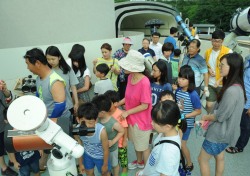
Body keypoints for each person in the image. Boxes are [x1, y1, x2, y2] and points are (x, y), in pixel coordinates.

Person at [198, 53, 246, 176]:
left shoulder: (231, 91)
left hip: (219, 134)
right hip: (226, 133)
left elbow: (221, 116)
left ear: (232, 67)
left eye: (222, 65)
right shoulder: (238, 87)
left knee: (202, 160)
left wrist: (205, 116)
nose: (220, 67)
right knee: (219, 157)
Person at [118, 50, 152, 170]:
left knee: (144, 146)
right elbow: (128, 97)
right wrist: (118, 103)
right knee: (136, 144)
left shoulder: (144, 82)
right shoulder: (130, 77)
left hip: (142, 120)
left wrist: (127, 112)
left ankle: (147, 169)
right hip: (131, 118)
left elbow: (145, 105)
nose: (123, 68)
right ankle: (139, 161)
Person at [136, 100, 187, 176]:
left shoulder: (168, 152)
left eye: (155, 122)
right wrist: (144, 172)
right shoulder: (167, 132)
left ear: (167, 126)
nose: (151, 123)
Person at [24, 48, 70, 119]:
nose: (27, 67)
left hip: (59, 121)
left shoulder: (55, 81)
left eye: (28, 64)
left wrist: (50, 122)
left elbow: (60, 106)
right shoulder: (39, 78)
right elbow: (39, 94)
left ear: (37, 63)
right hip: (46, 118)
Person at [175, 65, 202, 172]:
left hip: (187, 124)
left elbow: (198, 111)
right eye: (179, 77)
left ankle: (189, 163)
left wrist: (185, 116)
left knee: (182, 144)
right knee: (176, 142)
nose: (180, 81)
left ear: (189, 80)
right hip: (177, 121)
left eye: (183, 79)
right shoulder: (178, 91)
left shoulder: (193, 94)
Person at [74, 102, 111, 176]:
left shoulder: (101, 132)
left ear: (96, 120)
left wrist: (105, 165)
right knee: (89, 173)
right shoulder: (77, 131)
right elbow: (79, 146)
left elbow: (106, 149)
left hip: (101, 157)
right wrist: (80, 163)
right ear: (78, 119)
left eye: (90, 123)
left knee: (105, 173)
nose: (87, 126)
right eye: (83, 122)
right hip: (87, 155)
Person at [92, 95, 124, 176]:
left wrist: (113, 141)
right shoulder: (98, 119)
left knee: (114, 164)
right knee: (106, 163)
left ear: (102, 112)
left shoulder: (113, 123)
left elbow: (122, 131)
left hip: (112, 148)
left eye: (96, 111)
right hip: (102, 148)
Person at [225, 55, 250, 154]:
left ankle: (239, 147)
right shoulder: (248, 59)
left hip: (247, 103)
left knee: (245, 126)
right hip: (240, 97)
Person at [204, 30, 232, 113]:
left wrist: (219, 80)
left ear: (223, 41)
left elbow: (231, 69)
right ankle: (208, 120)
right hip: (210, 83)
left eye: (219, 41)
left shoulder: (228, 52)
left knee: (221, 105)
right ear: (211, 40)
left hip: (222, 84)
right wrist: (208, 69)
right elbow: (205, 64)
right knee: (209, 105)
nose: (216, 44)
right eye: (214, 41)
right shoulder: (207, 52)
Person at [45, 46, 79, 114]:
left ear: (59, 57)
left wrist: (76, 103)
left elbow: (73, 87)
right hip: (51, 109)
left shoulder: (67, 70)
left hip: (67, 106)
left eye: (53, 59)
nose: (51, 61)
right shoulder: (46, 71)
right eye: (48, 59)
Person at [104, 90, 128, 176]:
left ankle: (125, 170)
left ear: (115, 104)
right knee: (112, 158)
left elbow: (125, 127)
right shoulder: (105, 113)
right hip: (110, 142)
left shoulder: (120, 113)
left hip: (120, 142)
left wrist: (125, 140)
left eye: (108, 103)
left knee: (123, 157)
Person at [0, 80, 18, 176]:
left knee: (9, 140)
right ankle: (3, 168)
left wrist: (5, 89)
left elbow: (8, 97)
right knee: (0, 146)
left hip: (6, 119)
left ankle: (12, 160)